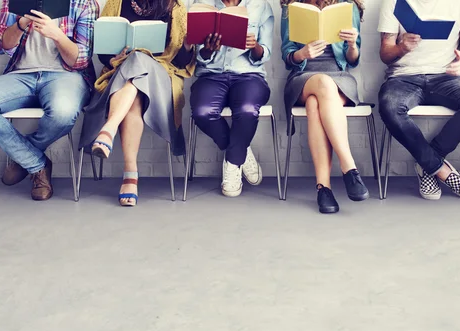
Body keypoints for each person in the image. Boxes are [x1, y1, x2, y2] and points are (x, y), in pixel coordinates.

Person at [79, 0, 194, 206]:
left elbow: (180, 61)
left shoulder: (175, 7)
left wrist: (188, 44)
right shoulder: (115, 4)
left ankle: (109, 130)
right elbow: (103, 54)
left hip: (160, 77)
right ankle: (130, 174)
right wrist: (117, 56)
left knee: (139, 60)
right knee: (135, 81)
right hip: (122, 73)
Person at [377, 0, 460, 201]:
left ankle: (426, 164)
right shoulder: (394, 2)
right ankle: (440, 170)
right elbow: (385, 54)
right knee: (390, 106)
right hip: (404, 77)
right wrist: (402, 47)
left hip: (447, 75)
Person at [0, 0, 98, 200]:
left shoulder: (83, 3)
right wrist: (21, 24)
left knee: (63, 114)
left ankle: (24, 157)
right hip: (21, 74)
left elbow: (81, 58)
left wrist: (55, 34)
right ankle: (36, 163)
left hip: (66, 75)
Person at [281, 0, 369, 214]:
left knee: (315, 103)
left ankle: (324, 189)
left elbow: (353, 61)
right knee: (322, 83)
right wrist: (302, 54)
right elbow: (287, 56)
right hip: (303, 77)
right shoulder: (291, 8)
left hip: (339, 77)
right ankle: (349, 168)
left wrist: (352, 45)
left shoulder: (348, 7)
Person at [190, 0, 274, 197]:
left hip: (248, 75)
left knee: (246, 110)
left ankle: (234, 163)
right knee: (202, 112)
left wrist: (255, 47)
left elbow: (266, 52)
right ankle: (241, 149)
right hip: (211, 75)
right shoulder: (201, 5)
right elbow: (196, 53)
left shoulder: (260, 6)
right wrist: (209, 49)